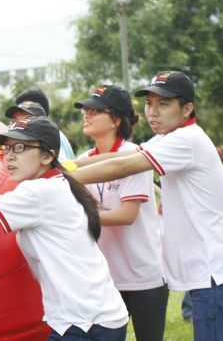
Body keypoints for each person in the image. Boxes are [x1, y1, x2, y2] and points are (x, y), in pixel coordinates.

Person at [70, 71, 223, 341]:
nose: (153, 112)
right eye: (149, 104)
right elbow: (115, 157)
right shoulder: (170, 139)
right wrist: (61, 167)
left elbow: (121, 165)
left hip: (215, 277)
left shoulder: (186, 140)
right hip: (219, 276)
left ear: (187, 109)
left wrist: (59, 178)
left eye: (163, 104)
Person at [0, 116, 129, 340]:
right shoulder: (57, 184)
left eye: (20, 147)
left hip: (85, 323)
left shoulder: (39, 193)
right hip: (96, 316)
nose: (9, 156)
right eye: (7, 148)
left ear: (47, 156)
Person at [74, 85, 167, 341]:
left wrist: (81, 218)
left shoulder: (134, 156)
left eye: (95, 110)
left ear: (116, 119)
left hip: (142, 276)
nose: (86, 115)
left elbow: (127, 216)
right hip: (103, 277)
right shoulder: (83, 158)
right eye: (85, 110)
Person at [0, 87, 76, 161]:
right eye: (14, 121)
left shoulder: (53, 139)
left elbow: (65, 168)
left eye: (23, 120)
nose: (16, 126)